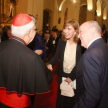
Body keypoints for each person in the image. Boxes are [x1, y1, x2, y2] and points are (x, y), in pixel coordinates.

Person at [0, 13, 52, 108]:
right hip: (20, 105)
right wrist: (48, 70)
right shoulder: (31, 57)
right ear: (28, 32)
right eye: (35, 30)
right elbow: (46, 79)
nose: (35, 33)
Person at [47, 19, 84, 108]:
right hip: (62, 74)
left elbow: (81, 63)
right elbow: (56, 56)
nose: (65, 31)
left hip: (75, 76)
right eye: (65, 28)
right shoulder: (61, 41)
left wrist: (71, 77)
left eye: (69, 29)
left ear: (76, 31)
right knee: (61, 99)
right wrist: (50, 63)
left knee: (73, 99)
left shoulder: (81, 43)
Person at [73, 21, 108, 108]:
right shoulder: (103, 46)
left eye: (81, 32)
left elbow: (92, 96)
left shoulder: (91, 55)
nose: (78, 36)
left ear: (92, 31)